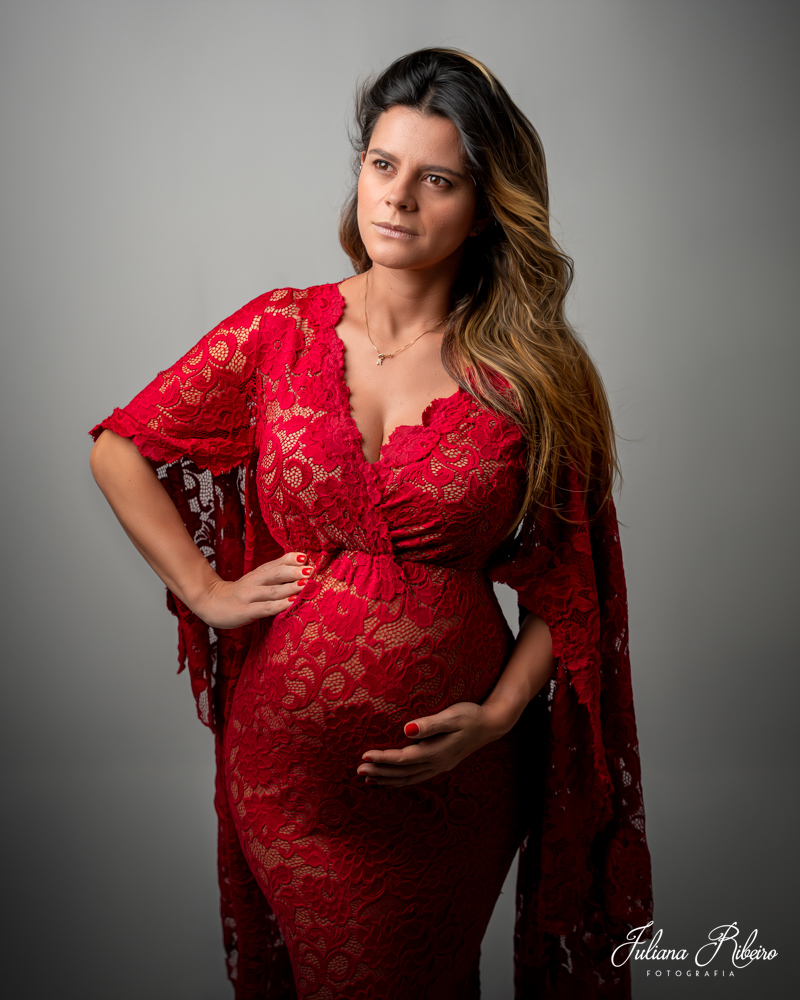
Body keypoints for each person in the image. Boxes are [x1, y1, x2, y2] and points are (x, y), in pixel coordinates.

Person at [90, 47, 652, 1000]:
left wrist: (496, 719)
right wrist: (204, 590)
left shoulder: (532, 375)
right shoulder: (281, 331)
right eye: (383, 166)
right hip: (290, 781)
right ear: (360, 172)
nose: (397, 198)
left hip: (456, 784)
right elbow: (120, 447)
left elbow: (569, 588)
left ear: (484, 207)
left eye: (437, 180)